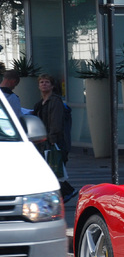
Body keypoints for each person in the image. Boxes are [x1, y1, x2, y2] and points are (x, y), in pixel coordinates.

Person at [33, 73, 77, 203]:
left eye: (47, 82)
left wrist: (52, 139)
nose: (44, 84)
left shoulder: (55, 101)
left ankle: (66, 192)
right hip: (44, 141)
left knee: (53, 169)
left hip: (55, 142)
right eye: (41, 82)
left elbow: (56, 122)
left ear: (52, 86)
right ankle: (61, 194)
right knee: (51, 169)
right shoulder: (40, 103)